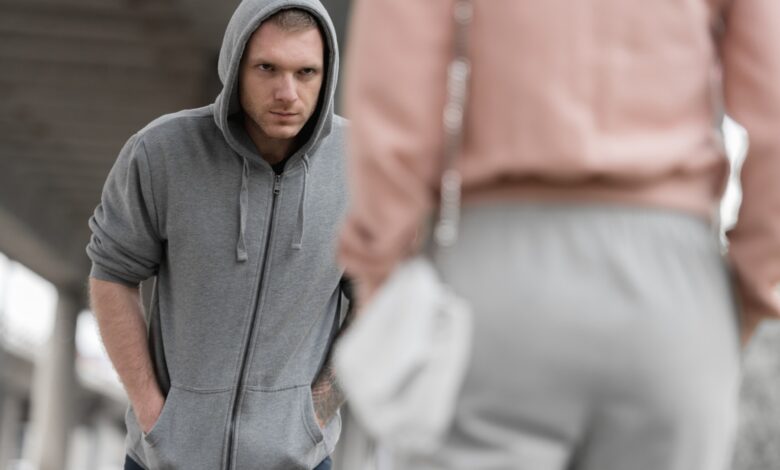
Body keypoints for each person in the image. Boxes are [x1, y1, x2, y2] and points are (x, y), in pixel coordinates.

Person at [339, 0, 779, 469]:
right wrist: (752, 288)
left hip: (499, 280)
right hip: (674, 293)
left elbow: (395, 88)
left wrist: (381, 266)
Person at [87, 1, 349, 469]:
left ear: (326, 74)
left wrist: (315, 414)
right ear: (235, 65)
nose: (287, 92)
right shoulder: (162, 153)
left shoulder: (360, 166)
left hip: (297, 462)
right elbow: (112, 275)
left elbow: (380, 298)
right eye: (267, 68)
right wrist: (153, 414)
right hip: (165, 459)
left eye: (306, 72)